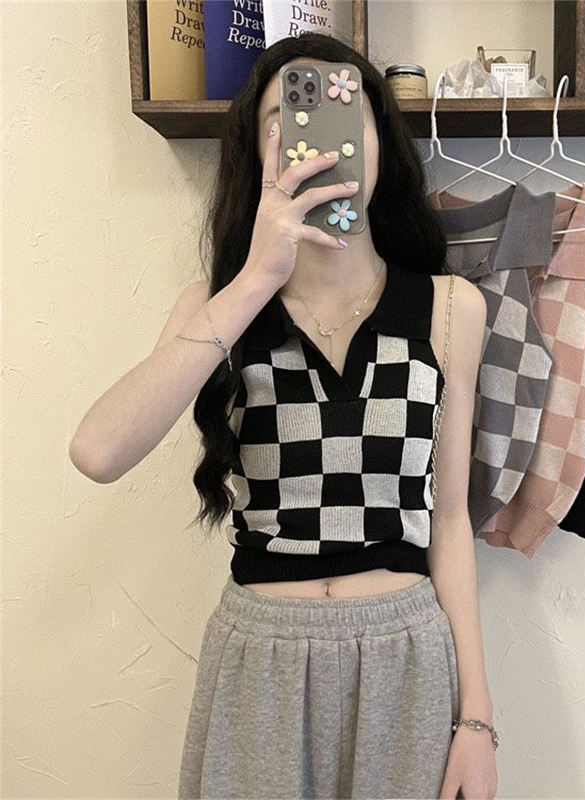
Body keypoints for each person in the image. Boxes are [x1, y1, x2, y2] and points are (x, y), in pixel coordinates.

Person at [69, 31, 498, 800]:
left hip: (405, 660)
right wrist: (255, 279)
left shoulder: (448, 309)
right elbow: (98, 451)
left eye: (347, 113)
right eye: (288, 119)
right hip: (259, 662)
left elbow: (452, 523)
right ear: (257, 152)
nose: (320, 140)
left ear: (380, 142)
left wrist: (477, 719)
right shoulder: (219, 309)